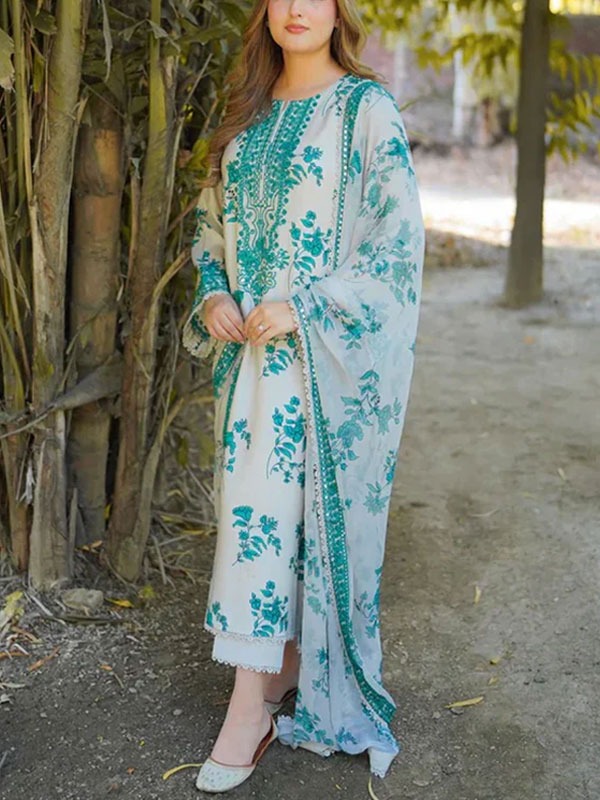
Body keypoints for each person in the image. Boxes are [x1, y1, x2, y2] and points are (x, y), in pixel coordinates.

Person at [182, 0, 425, 792]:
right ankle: (285, 661)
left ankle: (247, 708)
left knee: (271, 520)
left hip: (322, 359)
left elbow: (397, 243)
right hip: (246, 364)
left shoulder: (365, 110)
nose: (296, 8)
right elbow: (209, 228)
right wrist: (214, 294)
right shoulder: (245, 114)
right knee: (259, 520)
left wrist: (309, 305)